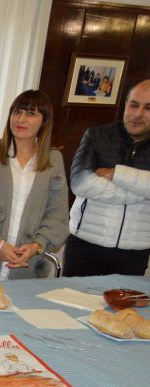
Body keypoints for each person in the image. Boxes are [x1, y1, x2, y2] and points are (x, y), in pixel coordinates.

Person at [0, 90, 69, 281]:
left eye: (30, 113)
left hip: (26, 268)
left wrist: (36, 246)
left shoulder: (53, 160)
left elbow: (58, 216)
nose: (20, 119)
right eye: (17, 112)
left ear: (44, 121)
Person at [63, 79, 150, 277]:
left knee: (125, 309)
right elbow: (80, 183)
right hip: (84, 244)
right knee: (72, 304)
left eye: (148, 108)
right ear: (125, 104)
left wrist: (116, 174)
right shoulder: (97, 136)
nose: (138, 114)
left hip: (134, 251)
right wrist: (141, 190)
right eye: (134, 105)